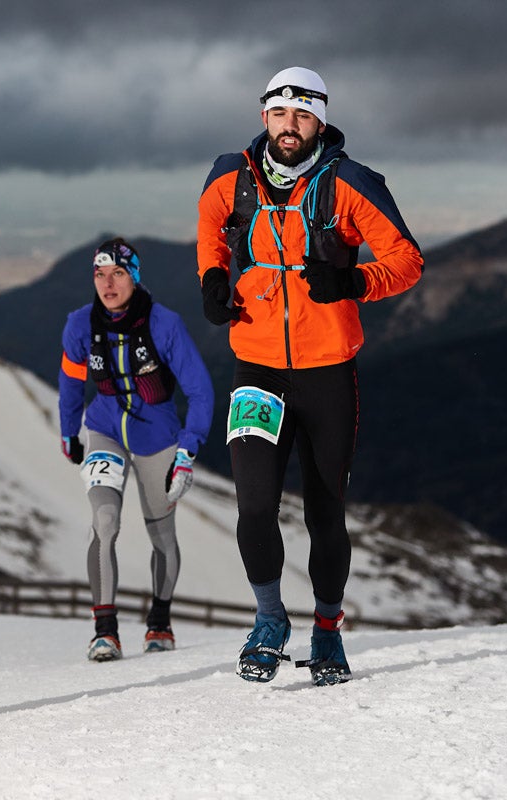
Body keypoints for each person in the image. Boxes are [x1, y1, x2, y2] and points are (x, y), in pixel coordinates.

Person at [196, 67, 423, 686]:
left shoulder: (352, 183)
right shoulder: (230, 176)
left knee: (325, 511)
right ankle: (270, 620)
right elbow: (210, 233)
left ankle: (327, 630)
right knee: (254, 505)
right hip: (257, 366)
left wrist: (354, 281)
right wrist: (213, 280)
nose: (289, 127)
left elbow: (407, 260)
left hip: (328, 371)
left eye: (302, 115)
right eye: (279, 114)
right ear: (264, 116)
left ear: (320, 119)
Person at [58, 237, 214, 661]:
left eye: (118, 274)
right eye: (100, 274)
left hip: (157, 436)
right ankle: (104, 630)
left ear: (135, 277)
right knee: (104, 522)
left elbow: (201, 392)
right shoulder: (79, 325)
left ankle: (159, 621)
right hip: (104, 429)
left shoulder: (165, 324)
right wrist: (69, 432)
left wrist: (187, 451)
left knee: (161, 534)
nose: (108, 284)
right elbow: (71, 384)